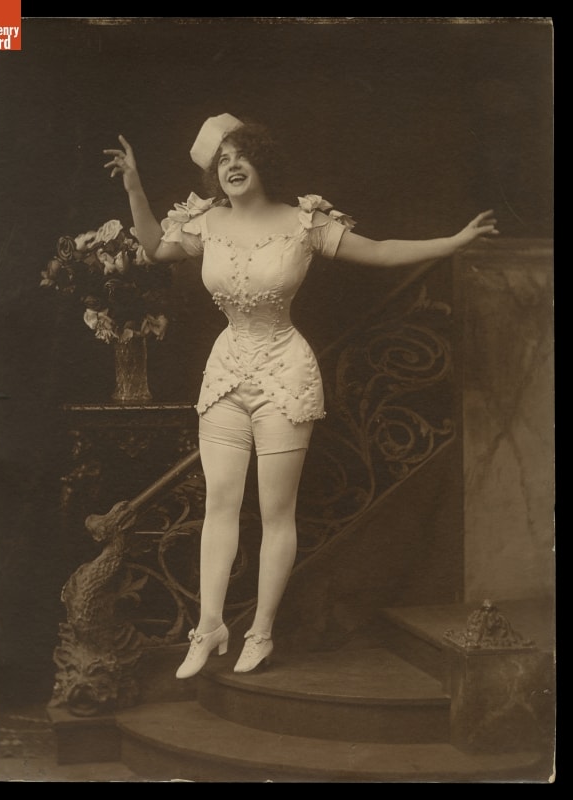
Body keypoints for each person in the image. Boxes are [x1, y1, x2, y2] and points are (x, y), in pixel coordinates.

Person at [103, 113, 498, 679]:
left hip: (285, 375)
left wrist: (454, 242)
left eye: (241, 154)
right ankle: (209, 626)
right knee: (219, 504)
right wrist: (135, 187)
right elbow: (153, 249)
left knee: (276, 512)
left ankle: (260, 632)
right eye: (222, 160)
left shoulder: (303, 222)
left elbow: (380, 250)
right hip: (226, 371)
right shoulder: (205, 222)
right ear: (215, 176)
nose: (232, 165)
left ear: (261, 160)